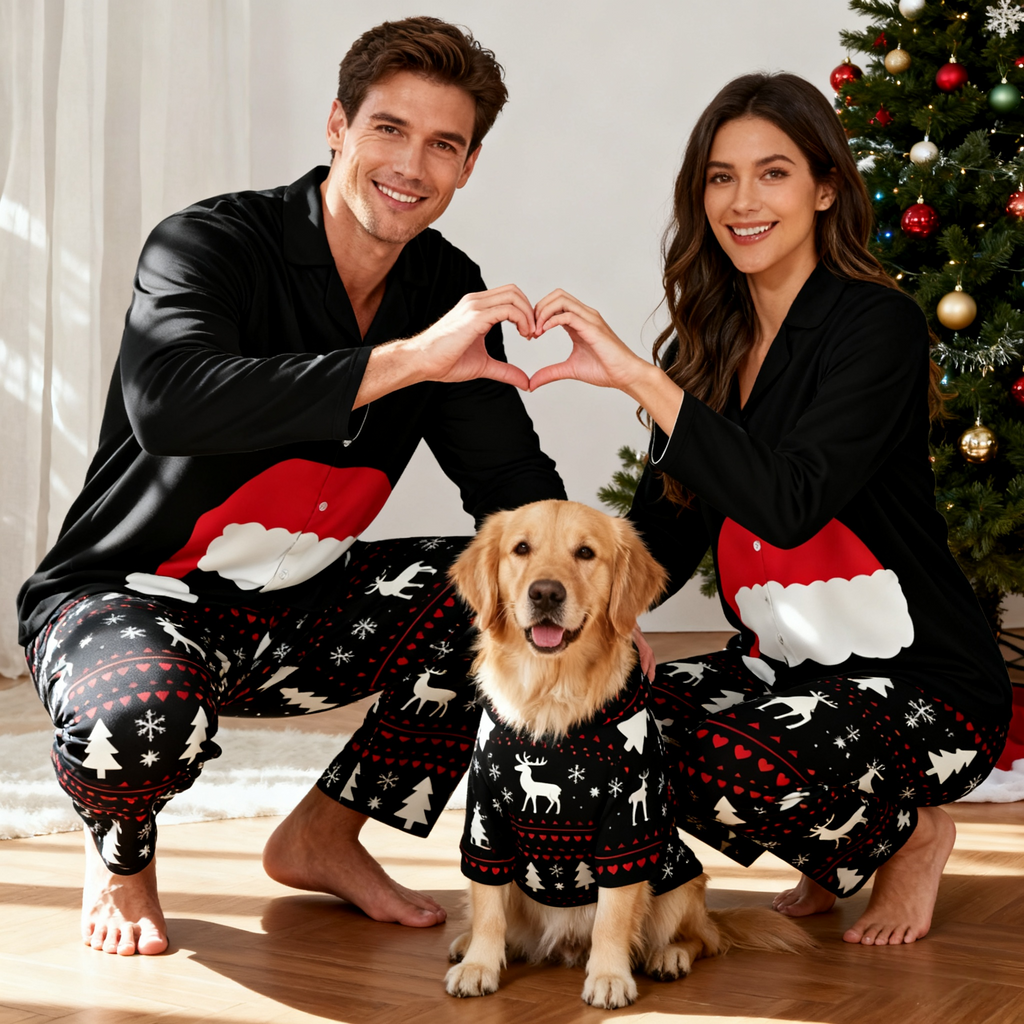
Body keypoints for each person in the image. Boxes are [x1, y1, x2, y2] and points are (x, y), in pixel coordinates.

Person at [17, 16, 566, 957]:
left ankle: (321, 836)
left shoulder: (446, 286)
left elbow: (508, 481)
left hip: (299, 612)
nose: (411, 164)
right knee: (138, 720)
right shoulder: (211, 242)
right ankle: (121, 858)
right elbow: (171, 403)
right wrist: (403, 362)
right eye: (388, 129)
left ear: (468, 167)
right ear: (337, 128)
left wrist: (594, 595)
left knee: (509, 605)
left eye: (444, 144)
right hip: (131, 593)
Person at [527, 72, 1012, 946]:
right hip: (781, 674)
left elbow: (789, 502)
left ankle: (907, 836)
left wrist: (641, 379)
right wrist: (615, 619)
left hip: (922, 682)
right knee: (575, 725)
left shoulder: (878, 327)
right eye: (720, 177)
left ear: (826, 187)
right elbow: (661, 532)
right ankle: (828, 844)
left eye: (773, 173)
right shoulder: (704, 344)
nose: (742, 201)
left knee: (717, 768)